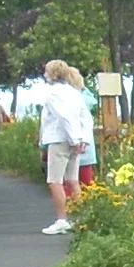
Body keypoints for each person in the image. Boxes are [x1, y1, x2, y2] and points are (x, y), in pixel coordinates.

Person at [35, 60, 96, 235]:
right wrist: (82, 139)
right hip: (75, 140)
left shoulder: (53, 94)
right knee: (73, 180)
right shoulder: (74, 92)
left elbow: (63, 117)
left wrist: (73, 139)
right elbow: (85, 117)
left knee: (55, 181)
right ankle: (82, 217)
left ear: (52, 74)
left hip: (60, 139)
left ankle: (62, 219)